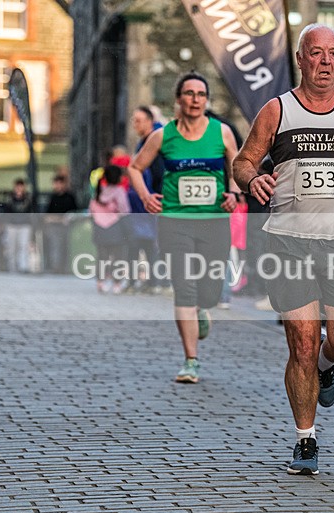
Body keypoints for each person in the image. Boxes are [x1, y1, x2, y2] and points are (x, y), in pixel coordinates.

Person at [232, 24, 334, 475]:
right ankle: (306, 439)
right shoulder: (276, 111)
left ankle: (328, 364)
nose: (325, 62)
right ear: (300, 59)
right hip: (288, 241)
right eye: (316, 53)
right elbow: (243, 160)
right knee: (301, 342)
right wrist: (253, 178)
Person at [128, 72, 240, 385]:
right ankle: (191, 360)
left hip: (214, 221)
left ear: (206, 100)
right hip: (175, 221)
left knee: (210, 290)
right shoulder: (163, 136)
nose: (194, 99)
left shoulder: (222, 133)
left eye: (200, 94)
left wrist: (234, 192)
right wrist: (147, 196)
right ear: (179, 99)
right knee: (184, 288)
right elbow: (134, 168)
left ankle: (204, 308)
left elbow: (237, 167)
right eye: (188, 93)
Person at [125, 106, 164, 294]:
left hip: (158, 199)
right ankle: (153, 282)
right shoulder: (143, 142)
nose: (135, 124)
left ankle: (159, 282)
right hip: (146, 202)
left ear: (150, 121)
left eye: (138, 120)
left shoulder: (156, 137)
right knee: (147, 244)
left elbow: (158, 172)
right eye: (134, 120)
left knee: (155, 244)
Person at [90, 165, 130, 294]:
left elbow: (92, 209)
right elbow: (125, 210)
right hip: (115, 227)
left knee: (102, 257)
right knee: (117, 257)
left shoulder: (98, 191)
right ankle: (117, 284)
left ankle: (100, 282)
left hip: (99, 228)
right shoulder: (119, 191)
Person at [44, 173, 78, 274]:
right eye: (56, 183)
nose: (58, 186)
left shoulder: (70, 197)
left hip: (67, 226)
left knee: (66, 246)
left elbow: (73, 213)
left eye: (60, 183)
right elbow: (47, 215)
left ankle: (66, 267)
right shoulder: (52, 198)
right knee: (55, 246)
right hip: (54, 227)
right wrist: (58, 219)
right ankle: (56, 267)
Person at [4, 179, 32, 273]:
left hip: (24, 225)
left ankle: (23, 267)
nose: (19, 188)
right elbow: (6, 211)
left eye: (21, 186)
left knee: (23, 246)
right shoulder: (9, 198)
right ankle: (12, 267)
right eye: (17, 186)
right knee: (12, 247)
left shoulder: (28, 199)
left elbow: (31, 212)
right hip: (12, 225)